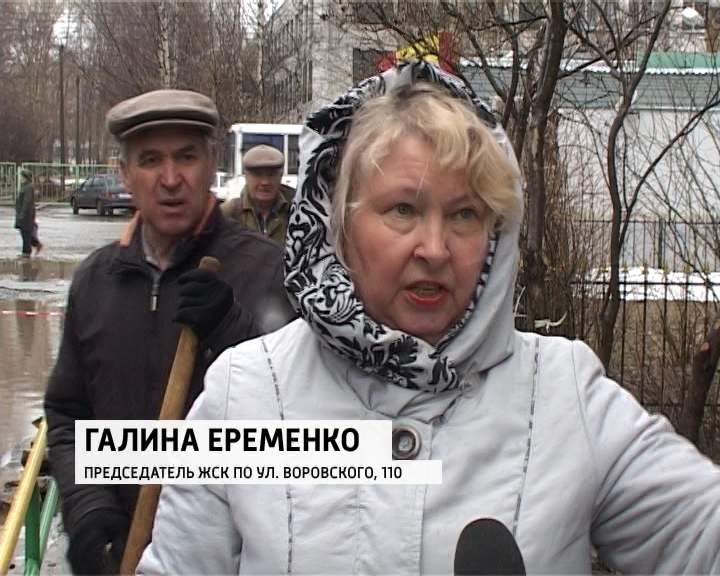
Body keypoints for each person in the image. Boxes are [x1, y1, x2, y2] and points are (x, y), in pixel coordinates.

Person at [138, 62, 720, 574]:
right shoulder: (247, 392)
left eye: (465, 215)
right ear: (341, 225)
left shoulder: (565, 395)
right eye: (403, 210)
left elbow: (699, 533)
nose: (436, 249)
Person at [44, 89, 294, 575]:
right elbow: (68, 415)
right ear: (125, 175)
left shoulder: (270, 272)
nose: (171, 178)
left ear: (211, 165)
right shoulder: (95, 281)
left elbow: (305, 423)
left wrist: (232, 331)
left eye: (186, 157)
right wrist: (88, 505)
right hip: (121, 552)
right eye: (150, 160)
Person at [220, 144, 293, 244]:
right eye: (258, 175)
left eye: (271, 175)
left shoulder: (296, 212)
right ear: (246, 176)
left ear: (280, 176)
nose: (265, 182)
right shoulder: (228, 213)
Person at [14, 169, 42, 257]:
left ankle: (26, 252)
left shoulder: (29, 187)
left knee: (26, 232)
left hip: (27, 214)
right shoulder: (25, 186)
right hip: (23, 213)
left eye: (21, 176)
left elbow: (27, 201)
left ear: (25, 177)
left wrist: (22, 214)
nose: (20, 178)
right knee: (25, 232)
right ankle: (36, 245)